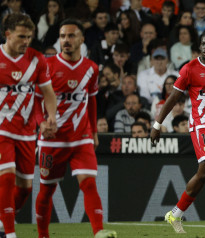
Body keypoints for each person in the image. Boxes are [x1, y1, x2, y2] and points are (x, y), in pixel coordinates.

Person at [34, 19, 117, 238]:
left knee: (89, 184)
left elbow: (91, 101)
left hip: (81, 139)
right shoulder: (47, 66)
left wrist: (94, 132)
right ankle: (43, 235)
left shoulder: (91, 68)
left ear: (81, 39)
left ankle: (99, 232)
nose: (66, 40)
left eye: (71, 36)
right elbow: (35, 100)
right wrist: (40, 123)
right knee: (46, 190)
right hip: (52, 139)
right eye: (62, 36)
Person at [150, 31, 205, 234]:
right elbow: (173, 98)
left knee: (203, 174)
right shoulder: (189, 68)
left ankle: (175, 213)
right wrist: (157, 125)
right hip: (201, 123)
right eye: (203, 44)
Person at [0, 13, 57, 238]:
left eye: (29, 37)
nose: (26, 41)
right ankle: (10, 233)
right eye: (21, 36)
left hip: (25, 132)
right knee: (6, 176)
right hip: (2, 129)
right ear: (8, 34)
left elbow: (48, 93)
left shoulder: (37, 60)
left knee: (24, 189)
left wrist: (50, 116)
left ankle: (3, 222)